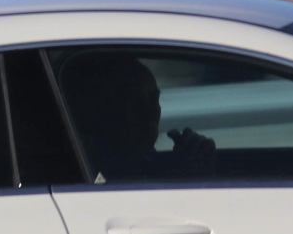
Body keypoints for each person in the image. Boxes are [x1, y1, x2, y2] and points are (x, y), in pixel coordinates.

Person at [56, 50, 216, 184]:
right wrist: (189, 175)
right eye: (135, 101)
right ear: (105, 109)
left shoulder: (142, 161)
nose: (150, 111)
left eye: (153, 98)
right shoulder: (97, 173)